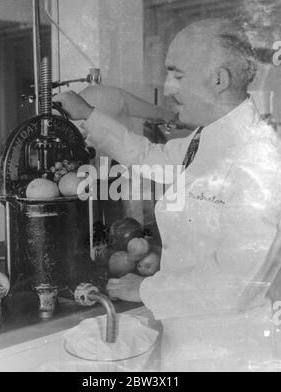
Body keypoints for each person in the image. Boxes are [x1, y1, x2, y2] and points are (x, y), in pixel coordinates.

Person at [54, 18, 281, 371]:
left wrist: (143, 290)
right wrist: (89, 116)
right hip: (188, 339)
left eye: (177, 74)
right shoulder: (205, 138)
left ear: (219, 79)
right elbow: (151, 158)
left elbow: (234, 283)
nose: (167, 86)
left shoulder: (260, 158)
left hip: (233, 353)